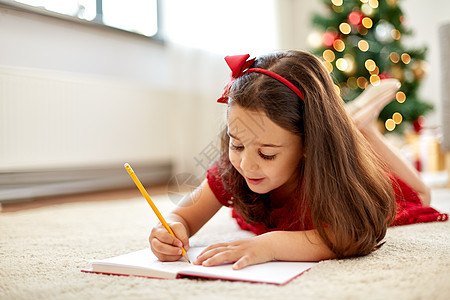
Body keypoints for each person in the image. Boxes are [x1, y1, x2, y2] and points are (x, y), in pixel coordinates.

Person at [149, 50, 447, 270]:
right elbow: (183, 215)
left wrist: (270, 244)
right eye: (236, 144)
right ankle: (353, 123)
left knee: (420, 195)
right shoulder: (234, 168)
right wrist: (171, 229)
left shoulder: (332, 174)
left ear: (308, 143)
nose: (247, 165)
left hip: (351, 178)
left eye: (267, 153)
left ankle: (361, 128)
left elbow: (352, 234)